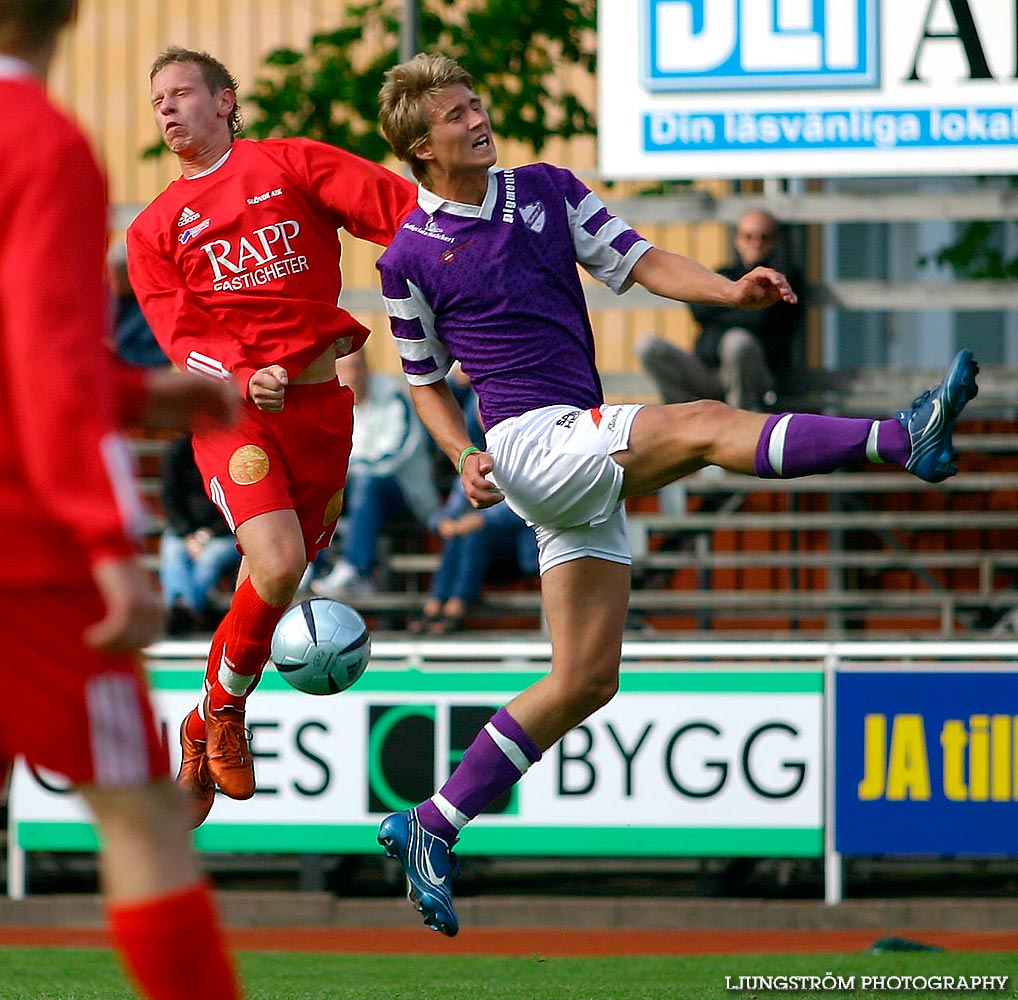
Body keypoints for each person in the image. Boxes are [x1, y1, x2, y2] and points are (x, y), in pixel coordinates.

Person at [372, 52, 979, 936]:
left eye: (475, 101)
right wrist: (459, 448)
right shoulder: (407, 259)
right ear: (424, 146)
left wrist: (728, 288)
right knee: (700, 422)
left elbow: (641, 259)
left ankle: (431, 823)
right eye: (458, 114)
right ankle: (900, 435)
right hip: (528, 444)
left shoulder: (544, 187)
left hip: (571, 441)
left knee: (584, 678)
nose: (478, 117)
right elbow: (423, 380)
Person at [0, 4, 243, 998]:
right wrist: (109, 543)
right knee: (143, 809)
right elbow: (48, 366)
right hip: (26, 550)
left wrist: (138, 392)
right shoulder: (41, 141)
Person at [127, 46, 417, 828]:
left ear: (226, 100)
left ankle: (203, 720)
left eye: (182, 92)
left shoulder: (291, 164)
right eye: (157, 100)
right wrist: (237, 371)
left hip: (323, 410)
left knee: (279, 580)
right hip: (234, 412)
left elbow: (404, 215)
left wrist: (462, 271)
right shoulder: (154, 228)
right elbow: (175, 330)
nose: (167, 108)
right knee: (279, 559)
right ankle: (224, 716)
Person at [638, 209, 805, 411]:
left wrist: (723, 303)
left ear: (775, 241)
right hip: (707, 369)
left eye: (764, 237)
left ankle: (741, 417)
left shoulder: (784, 277)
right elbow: (697, 310)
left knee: (737, 341)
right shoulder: (724, 273)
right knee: (648, 346)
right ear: (737, 240)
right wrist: (742, 303)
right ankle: (681, 415)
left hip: (756, 378)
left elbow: (763, 317)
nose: (756, 243)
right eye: (748, 236)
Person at [311, 350, 440, 599]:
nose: (352, 375)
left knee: (366, 484)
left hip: (406, 496)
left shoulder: (393, 398)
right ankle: (309, 567)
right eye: (346, 369)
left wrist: (346, 470)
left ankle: (356, 572)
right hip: (352, 493)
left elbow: (396, 455)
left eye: (357, 367)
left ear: (367, 369)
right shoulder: (329, 404)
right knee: (316, 487)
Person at [410, 477, 539, 634]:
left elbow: (531, 508)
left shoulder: (522, 469)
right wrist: (443, 523)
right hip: (477, 553)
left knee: (475, 533)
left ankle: (454, 607)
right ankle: (437, 604)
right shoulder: (471, 470)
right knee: (458, 534)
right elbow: (448, 513)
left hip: (517, 553)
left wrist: (483, 519)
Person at [159, 433, 240, 636]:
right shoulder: (178, 450)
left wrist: (209, 533)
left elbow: (236, 503)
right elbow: (170, 500)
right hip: (184, 531)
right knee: (172, 552)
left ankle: (183, 611)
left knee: (208, 561)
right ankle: (184, 609)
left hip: (225, 532)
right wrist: (188, 535)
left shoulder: (228, 451)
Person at [107, 240, 171, 368]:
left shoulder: (154, 307)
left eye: (114, 276)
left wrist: (119, 357)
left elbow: (163, 357)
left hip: (144, 376)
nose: (110, 281)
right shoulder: (107, 300)